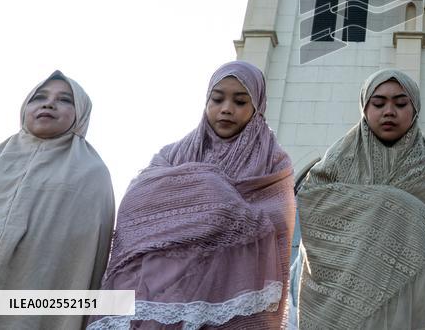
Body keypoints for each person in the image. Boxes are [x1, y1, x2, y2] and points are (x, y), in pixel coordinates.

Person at [88, 61, 295, 329]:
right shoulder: (172, 154)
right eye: (217, 99)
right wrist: (212, 191)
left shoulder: (273, 162)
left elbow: (274, 220)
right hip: (159, 290)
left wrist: (204, 201)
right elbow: (135, 207)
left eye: (240, 101)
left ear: (257, 107)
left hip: (229, 290)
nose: (226, 109)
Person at [297, 68, 425, 330]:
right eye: (378, 103)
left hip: (419, 306)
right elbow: (312, 204)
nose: (389, 111)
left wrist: (399, 209)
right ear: (364, 108)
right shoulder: (339, 161)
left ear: (415, 110)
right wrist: (391, 203)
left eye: (401, 103)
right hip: (342, 301)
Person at [0, 71, 114, 330]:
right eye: (39, 97)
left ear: (80, 114)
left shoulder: (90, 172)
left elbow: (80, 255)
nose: (49, 104)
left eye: (64, 100)